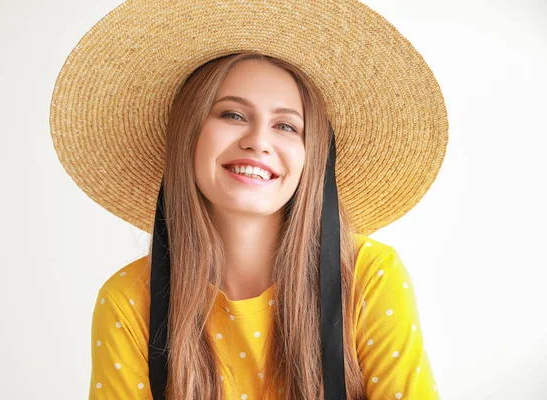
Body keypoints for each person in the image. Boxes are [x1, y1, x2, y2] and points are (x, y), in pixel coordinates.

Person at [49, 1, 448, 399]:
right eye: (232, 115)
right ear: (188, 135)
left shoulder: (368, 278)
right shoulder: (128, 302)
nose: (258, 140)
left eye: (286, 125)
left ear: (315, 158)